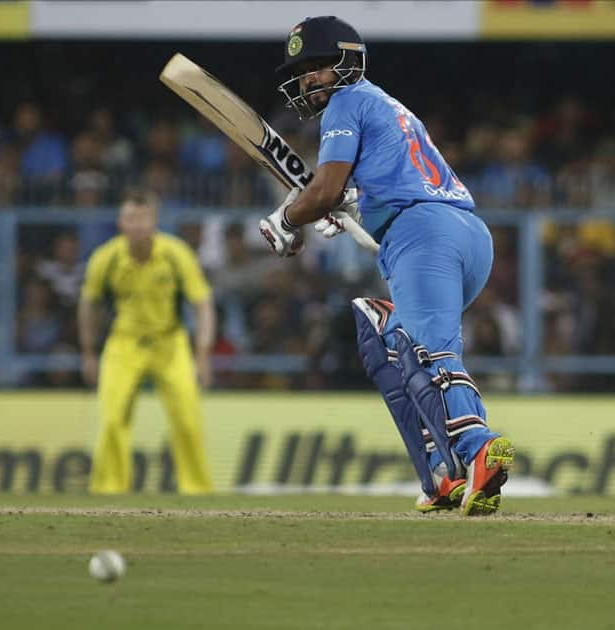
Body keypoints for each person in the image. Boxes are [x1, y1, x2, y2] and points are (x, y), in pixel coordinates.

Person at [259, 16, 515, 515]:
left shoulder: (347, 100)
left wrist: (288, 218)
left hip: (422, 234)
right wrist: (352, 205)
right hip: (458, 233)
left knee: (426, 351)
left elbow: (327, 188)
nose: (310, 78)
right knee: (385, 338)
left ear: (348, 63)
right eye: (303, 71)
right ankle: (442, 478)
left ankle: (479, 449)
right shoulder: (383, 103)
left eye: (319, 66)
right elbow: (363, 184)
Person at [78, 189, 215, 494]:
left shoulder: (176, 254)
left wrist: (202, 354)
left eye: (143, 219)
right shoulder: (106, 258)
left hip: (171, 342)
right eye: (131, 218)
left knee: (188, 421)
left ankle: (197, 492)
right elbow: (89, 305)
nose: (137, 225)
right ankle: (109, 492)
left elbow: (203, 303)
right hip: (123, 343)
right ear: (120, 223)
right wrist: (88, 352)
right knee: (112, 419)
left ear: (155, 222)